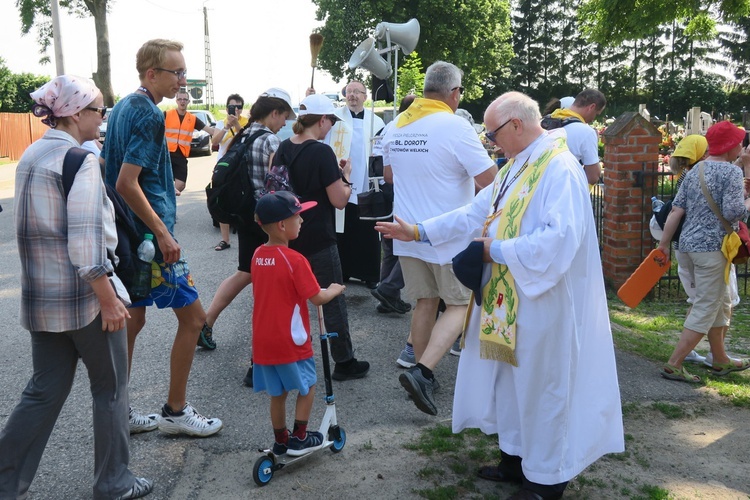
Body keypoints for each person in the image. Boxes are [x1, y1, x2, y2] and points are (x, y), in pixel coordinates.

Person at [376, 91, 624, 500]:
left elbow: (559, 239)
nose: (489, 142)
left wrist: (494, 250)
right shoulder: (517, 165)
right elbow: (476, 213)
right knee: (511, 380)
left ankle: (546, 480)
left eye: (492, 134)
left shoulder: (559, 167)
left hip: (544, 299)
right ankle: (516, 457)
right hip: (510, 297)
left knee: (543, 385)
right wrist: (417, 231)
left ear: (515, 125)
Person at [0, 75, 152, 500]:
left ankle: (5, 482)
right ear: (76, 113)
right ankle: (114, 482)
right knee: (112, 389)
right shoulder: (78, 160)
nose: (102, 117)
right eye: (98, 110)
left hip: (42, 300)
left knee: (43, 390)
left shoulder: (31, 154)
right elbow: (86, 243)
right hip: (87, 301)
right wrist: (108, 299)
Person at [102, 38, 222, 436]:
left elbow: (109, 166)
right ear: (152, 73)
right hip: (152, 242)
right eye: (177, 72)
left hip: (128, 237)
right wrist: (161, 231)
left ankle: (119, 413)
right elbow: (125, 182)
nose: (182, 80)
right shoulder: (151, 116)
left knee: (131, 323)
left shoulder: (122, 107)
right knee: (195, 318)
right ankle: (175, 409)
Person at [381, 61, 497, 413]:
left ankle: (420, 371)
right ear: (454, 93)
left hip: (405, 229)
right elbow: (492, 181)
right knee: (460, 305)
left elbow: (388, 176)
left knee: (425, 303)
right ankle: (423, 371)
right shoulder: (455, 127)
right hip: (449, 233)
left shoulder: (395, 125)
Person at [198, 88, 296, 356]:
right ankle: (262, 354)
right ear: (274, 113)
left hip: (244, 214)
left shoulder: (244, 133)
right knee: (270, 284)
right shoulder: (271, 142)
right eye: (284, 117)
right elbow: (276, 185)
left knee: (246, 271)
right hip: (266, 219)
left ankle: (205, 322)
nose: (285, 123)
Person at [281, 93, 370, 381]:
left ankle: (268, 359)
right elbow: (340, 201)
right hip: (318, 235)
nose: (331, 126)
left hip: (286, 235)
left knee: (284, 300)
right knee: (331, 297)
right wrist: (345, 175)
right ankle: (343, 360)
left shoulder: (283, 147)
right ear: (320, 120)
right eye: (330, 120)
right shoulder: (322, 152)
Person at [251, 191, 346, 455]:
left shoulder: (258, 255)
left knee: (277, 393)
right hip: (290, 339)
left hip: (263, 340)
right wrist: (335, 289)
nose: (302, 220)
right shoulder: (295, 260)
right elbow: (317, 297)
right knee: (308, 384)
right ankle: (301, 436)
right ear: (282, 225)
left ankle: (281, 440)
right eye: (298, 216)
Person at [656, 121, 750, 383]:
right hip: (713, 249)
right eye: (740, 142)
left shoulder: (696, 170)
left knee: (718, 301)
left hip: (686, 246)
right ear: (731, 146)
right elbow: (734, 213)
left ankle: (720, 360)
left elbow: (676, 210)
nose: (742, 146)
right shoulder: (730, 173)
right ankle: (674, 363)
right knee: (707, 305)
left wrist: (663, 245)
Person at [326, 80, 385, 287]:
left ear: (365, 96)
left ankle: (369, 274)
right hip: (342, 178)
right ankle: (343, 271)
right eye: (349, 92)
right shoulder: (335, 118)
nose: (352, 95)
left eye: (356, 92)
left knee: (367, 229)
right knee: (343, 227)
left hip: (368, 181)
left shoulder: (376, 121)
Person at [370, 94, 416, 318]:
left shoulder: (387, 128)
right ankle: (389, 289)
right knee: (410, 247)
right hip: (400, 194)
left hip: (383, 193)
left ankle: (387, 296)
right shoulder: (406, 130)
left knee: (390, 248)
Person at [210, 93, 249, 251]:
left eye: (239, 107)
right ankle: (225, 240)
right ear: (227, 109)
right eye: (233, 107)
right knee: (222, 202)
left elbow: (245, 139)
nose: (236, 110)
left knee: (242, 202)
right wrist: (227, 126)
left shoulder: (246, 123)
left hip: (240, 167)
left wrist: (237, 125)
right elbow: (214, 142)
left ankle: (245, 238)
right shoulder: (221, 123)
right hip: (224, 167)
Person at [165, 89, 221, 195]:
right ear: (176, 101)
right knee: (163, 182)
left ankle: (167, 198)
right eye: (180, 99)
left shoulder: (192, 119)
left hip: (181, 155)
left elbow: (210, 130)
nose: (182, 101)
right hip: (166, 155)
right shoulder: (167, 114)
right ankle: (165, 203)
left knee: (180, 185)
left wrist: (225, 128)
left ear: (188, 101)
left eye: (185, 99)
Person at [546, 89, 605, 185]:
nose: (594, 118)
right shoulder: (586, 132)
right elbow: (593, 177)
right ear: (592, 107)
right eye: (596, 114)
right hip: (562, 189)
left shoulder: (544, 121)